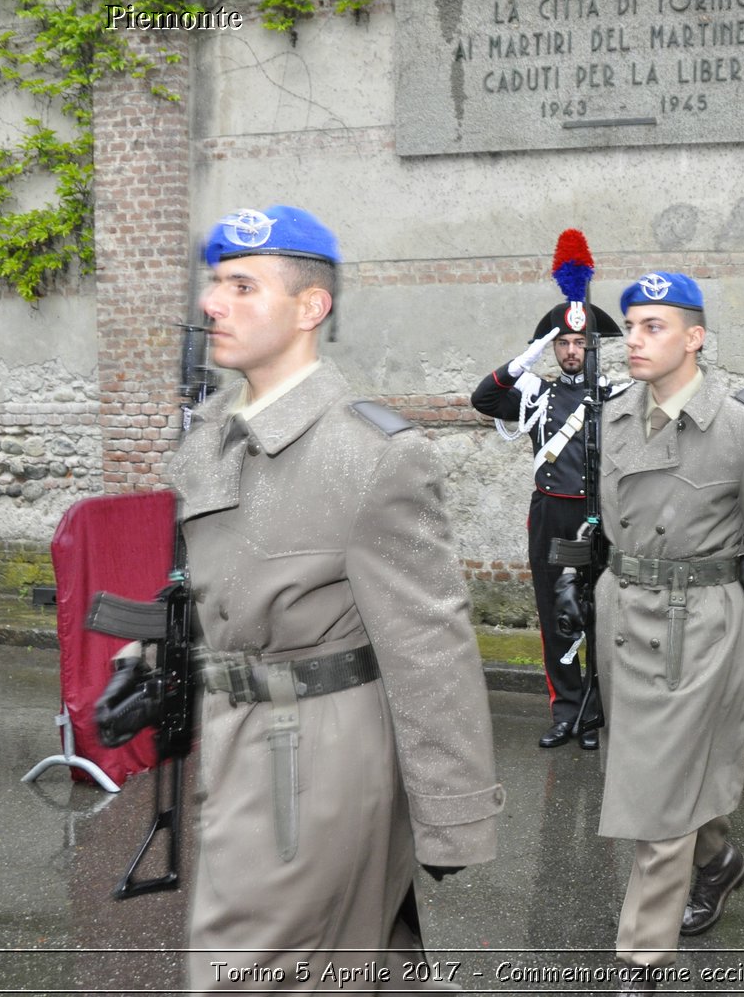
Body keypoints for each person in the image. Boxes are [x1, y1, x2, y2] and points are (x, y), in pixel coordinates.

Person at [171, 205, 504, 991]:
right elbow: (216, 593)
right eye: (216, 282)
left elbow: (429, 643)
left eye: (243, 286)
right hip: (232, 737)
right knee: (363, 956)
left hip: (311, 752)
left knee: (241, 969)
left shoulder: (370, 455)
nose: (212, 302)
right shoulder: (209, 434)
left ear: (310, 308)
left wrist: (450, 815)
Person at [589, 271, 744, 994]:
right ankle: (717, 860)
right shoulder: (615, 413)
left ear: (695, 337)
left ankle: (641, 960)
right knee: (659, 772)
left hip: (697, 619)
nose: (636, 340)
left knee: (661, 789)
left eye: (654, 326)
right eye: (632, 326)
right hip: (624, 612)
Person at [471, 229, 621, 750]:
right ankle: (564, 709)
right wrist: (524, 359)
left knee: (600, 614)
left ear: (594, 347)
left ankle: (596, 712)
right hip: (552, 516)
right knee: (557, 615)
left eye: (581, 342)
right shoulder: (536, 391)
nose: (572, 350)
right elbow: (485, 400)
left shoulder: (616, 395)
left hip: (599, 517)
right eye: (563, 343)